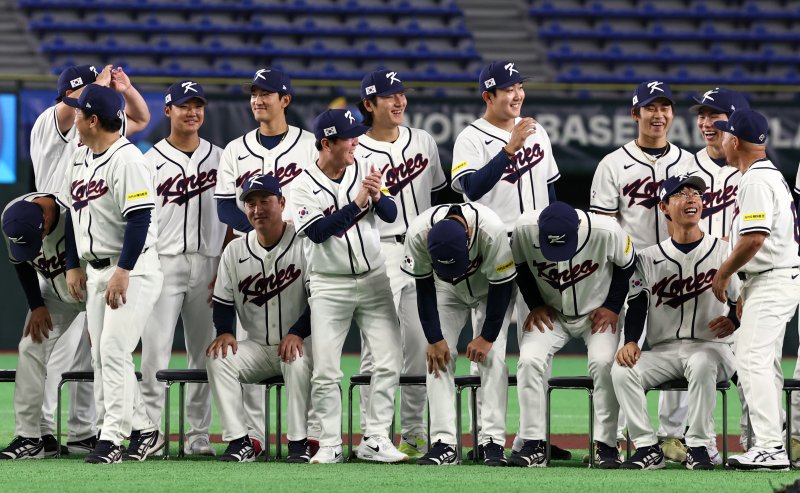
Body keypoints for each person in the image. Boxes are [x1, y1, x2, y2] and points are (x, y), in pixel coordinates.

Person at [27, 63, 150, 455]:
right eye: (79, 103)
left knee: (99, 351)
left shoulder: (107, 144)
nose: (80, 111)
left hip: (109, 256)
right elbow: (72, 108)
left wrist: (123, 90)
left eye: (88, 108)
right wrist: (96, 88)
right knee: (60, 349)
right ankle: (43, 431)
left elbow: (141, 118)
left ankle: (95, 432)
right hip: (62, 246)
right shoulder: (53, 124)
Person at [450, 60, 566, 460]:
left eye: (520, 87)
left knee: (538, 341)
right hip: (494, 246)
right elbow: (471, 189)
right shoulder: (470, 138)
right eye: (508, 89)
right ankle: (488, 439)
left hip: (536, 248)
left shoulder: (539, 132)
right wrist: (509, 149)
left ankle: (532, 436)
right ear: (488, 96)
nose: (517, 94)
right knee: (491, 344)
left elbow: (549, 194)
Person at [292, 109, 405, 464]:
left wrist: (377, 195)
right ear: (327, 143)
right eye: (349, 136)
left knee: (388, 361)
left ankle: (375, 438)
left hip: (374, 279)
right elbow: (318, 232)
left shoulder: (366, 166)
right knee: (326, 369)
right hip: (329, 284)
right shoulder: (301, 184)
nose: (356, 140)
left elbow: (390, 214)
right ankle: (329, 443)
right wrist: (357, 204)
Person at [58, 84, 163, 464]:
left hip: (133, 269)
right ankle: (146, 429)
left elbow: (139, 220)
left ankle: (113, 438)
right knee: (103, 358)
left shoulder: (128, 160)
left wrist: (123, 270)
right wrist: (72, 263)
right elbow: (73, 213)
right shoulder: (81, 156)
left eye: (79, 113)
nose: (75, 119)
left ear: (94, 120)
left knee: (113, 350)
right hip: (98, 269)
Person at [214, 68, 317, 454]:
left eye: (267, 93)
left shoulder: (309, 145)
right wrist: (264, 225)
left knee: (303, 344)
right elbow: (226, 208)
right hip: (254, 249)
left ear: (285, 100)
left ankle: (305, 440)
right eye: (254, 94)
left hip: (302, 241)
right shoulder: (235, 149)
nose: (258, 100)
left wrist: (286, 228)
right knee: (240, 337)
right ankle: (246, 439)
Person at [590, 79, 694, 462]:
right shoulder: (612, 164)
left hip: (679, 269)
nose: (658, 114)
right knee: (622, 353)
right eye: (650, 107)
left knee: (679, 348)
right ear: (636, 114)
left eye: (665, 107)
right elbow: (603, 228)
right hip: (630, 269)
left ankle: (671, 436)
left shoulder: (687, 162)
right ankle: (614, 439)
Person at [612, 174, 739, 470]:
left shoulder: (724, 252)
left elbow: (741, 299)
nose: (691, 198)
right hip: (665, 349)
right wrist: (631, 341)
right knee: (622, 370)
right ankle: (646, 447)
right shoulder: (648, 257)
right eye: (680, 194)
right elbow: (638, 302)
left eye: (696, 193)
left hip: (711, 347)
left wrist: (733, 318)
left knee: (702, 362)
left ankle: (699, 445)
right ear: (665, 207)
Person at [354, 68, 447, 458]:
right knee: (376, 348)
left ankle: (413, 432)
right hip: (381, 250)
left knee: (422, 345)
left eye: (401, 94)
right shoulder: (354, 148)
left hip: (422, 249)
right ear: (369, 104)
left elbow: (441, 195)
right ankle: (370, 435)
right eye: (389, 96)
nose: (398, 101)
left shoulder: (423, 141)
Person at [510, 201, 635, 468]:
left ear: (578, 226)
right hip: (554, 314)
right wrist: (535, 304)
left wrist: (613, 307)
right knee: (529, 360)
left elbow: (628, 266)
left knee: (603, 363)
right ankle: (533, 443)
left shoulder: (607, 230)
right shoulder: (524, 229)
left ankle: (607, 445)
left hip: (596, 316)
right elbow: (519, 266)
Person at [711, 109, 800, 471]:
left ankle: (770, 448)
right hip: (771, 277)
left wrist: (723, 274)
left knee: (751, 360)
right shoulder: (764, 175)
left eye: (724, 134)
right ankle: (774, 436)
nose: (721, 139)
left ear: (736, 141)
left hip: (775, 277)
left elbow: (754, 239)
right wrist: (745, 289)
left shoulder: (756, 181)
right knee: (762, 362)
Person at [207, 174, 317, 463]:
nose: (258, 209)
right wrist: (225, 331)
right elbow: (222, 301)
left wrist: (297, 332)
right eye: (251, 204)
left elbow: (318, 300)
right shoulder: (235, 250)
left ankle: (298, 443)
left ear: (282, 203)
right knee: (219, 358)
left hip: (302, 344)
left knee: (294, 358)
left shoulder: (304, 243)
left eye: (265, 202)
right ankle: (239, 441)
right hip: (256, 347)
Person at [140, 81, 224, 456]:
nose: (192, 112)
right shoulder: (149, 160)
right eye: (183, 105)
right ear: (167, 110)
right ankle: (150, 432)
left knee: (204, 353)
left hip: (210, 264)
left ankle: (198, 435)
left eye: (198, 105)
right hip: (163, 262)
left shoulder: (222, 158)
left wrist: (226, 262)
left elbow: (235, 216)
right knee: (154, 353)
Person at [401, 202, 516, 466]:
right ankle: (444, 443)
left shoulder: (491, 230)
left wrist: (487, 336)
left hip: (489, 289)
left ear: (468, 235)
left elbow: (503, 286)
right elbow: (424, 287)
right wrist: (434, 339)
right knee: (437, 357)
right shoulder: (418, 233)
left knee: (493, 357)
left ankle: (492, 442)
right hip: (445, 290)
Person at [0, 194, 90, 459]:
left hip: (94, 286)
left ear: (46, 219)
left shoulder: (73, 212)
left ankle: (112, 434)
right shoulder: (12, 217)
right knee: (30, 345)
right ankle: (30, 437)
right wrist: (37, 304)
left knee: (105, 352)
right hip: (54, 293)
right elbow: (21, 264)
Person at [683, 87, 750, 239]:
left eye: (713, 116)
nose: (705, 124)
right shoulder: (684, 169)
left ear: (736, 121)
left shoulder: (755, 170)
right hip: (697, 260)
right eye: (701, 116)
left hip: (745, 260)